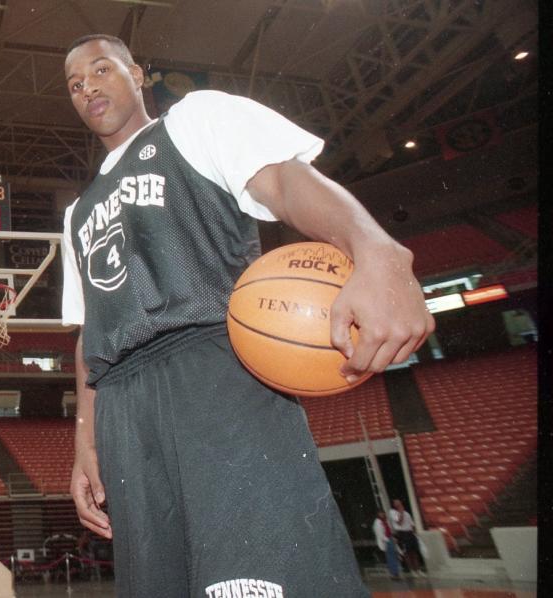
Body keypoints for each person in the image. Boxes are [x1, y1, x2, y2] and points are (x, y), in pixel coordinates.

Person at [61, 34, 434, 597]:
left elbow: (286, 181)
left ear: (136, 74)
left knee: (257, 579)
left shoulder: (193, 121)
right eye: (74, 84)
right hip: (121, 408)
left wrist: (377, 251)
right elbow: (90, 329)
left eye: (100, 70)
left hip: (216, 370)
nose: (87, 86)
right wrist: (85, 442)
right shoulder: (76, 212)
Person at [390, 498, 425, 576]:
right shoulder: (393, 512)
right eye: (396, 502)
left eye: (399, 502)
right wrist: (401, 512)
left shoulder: (406, 513)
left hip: (410, 533)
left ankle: (418, 569)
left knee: (414, 552)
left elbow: (412, 524)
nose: (398, 504)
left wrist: (415, 534)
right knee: (407, 553)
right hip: (402, 533)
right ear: (394, 505)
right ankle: (412, 570)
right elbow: (399, 522)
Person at [373, 510, 402, 580]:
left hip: (390, 539)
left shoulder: (385, 521)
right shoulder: (377, 523)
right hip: (386, 541)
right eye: (381, 513)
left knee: (394, 556)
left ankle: (396, 573)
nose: (382, 515)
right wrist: (389, 540)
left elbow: (389, 530)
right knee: (391, 557)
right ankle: (393, 573)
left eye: (383, 513)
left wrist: (393, 538)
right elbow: (380, 535)